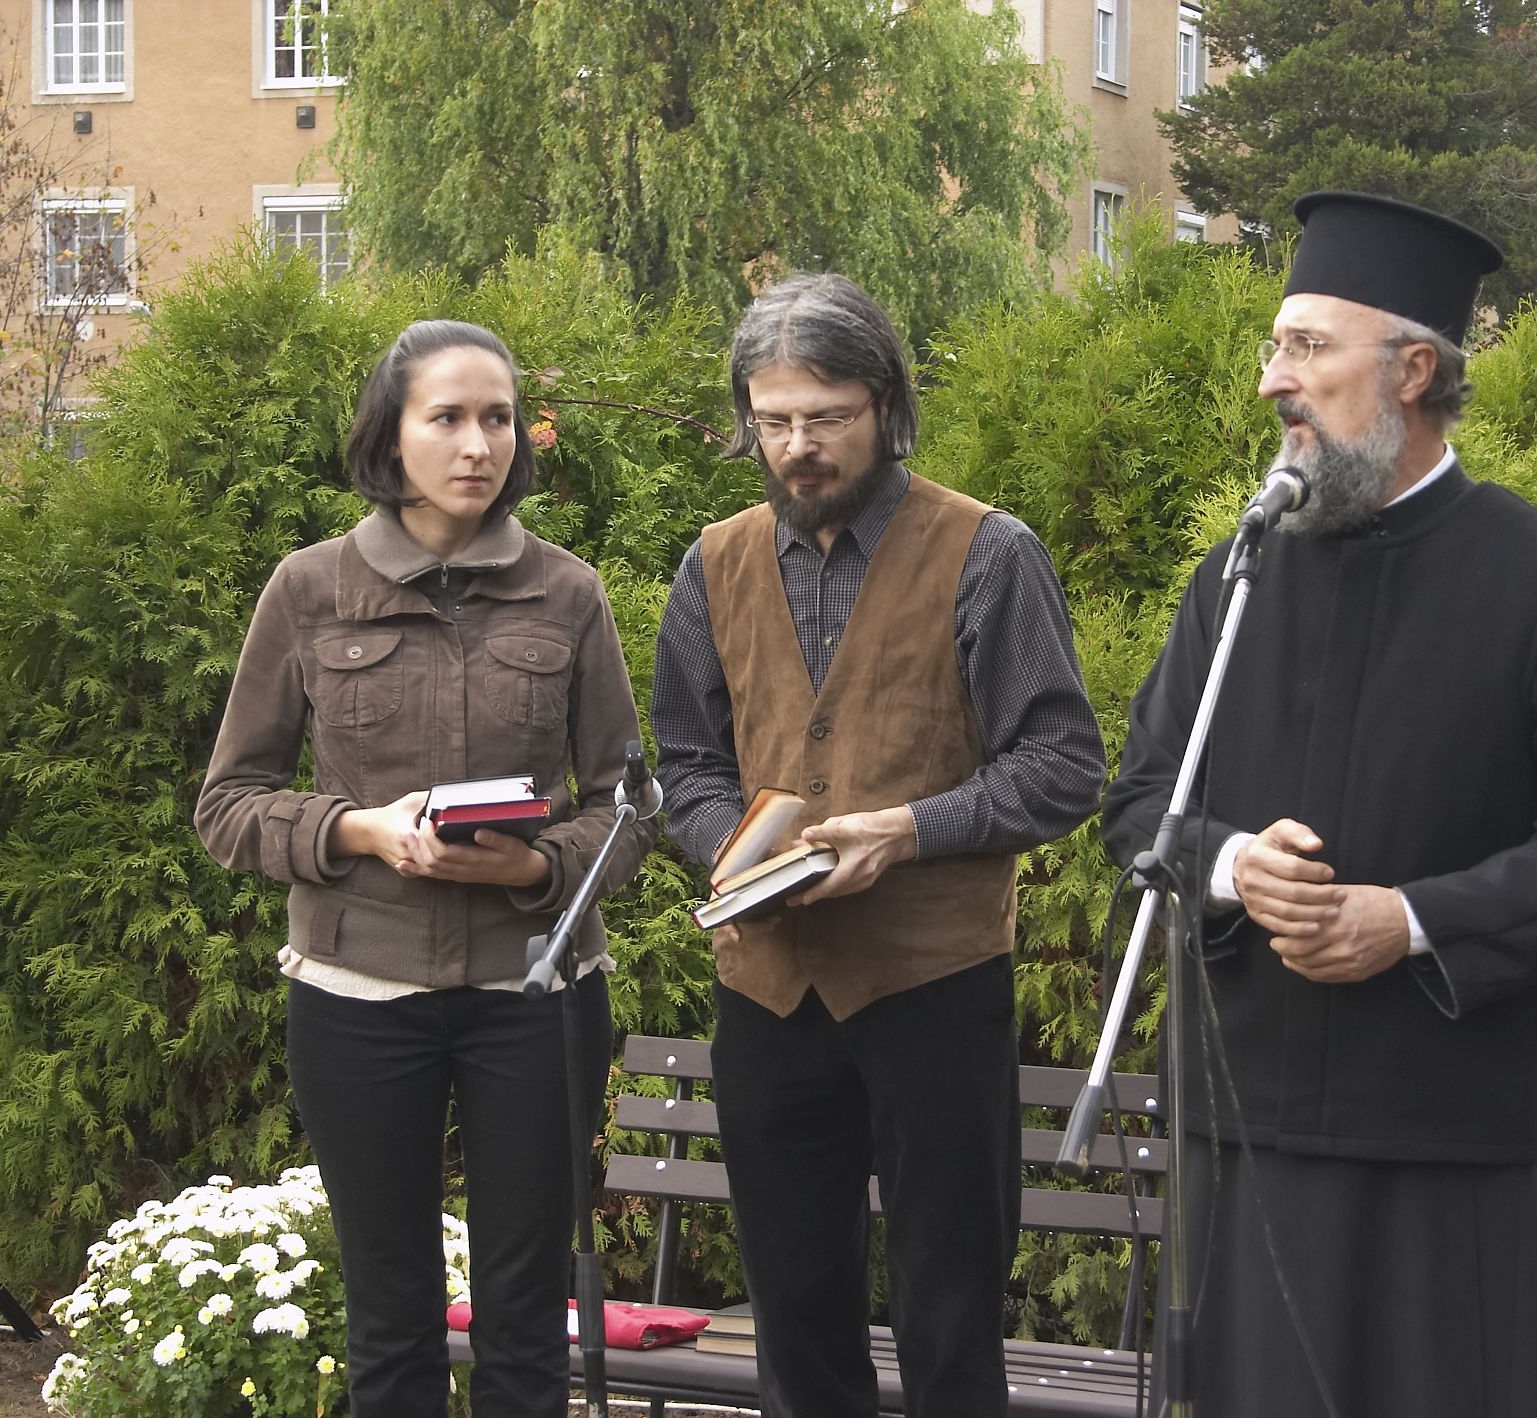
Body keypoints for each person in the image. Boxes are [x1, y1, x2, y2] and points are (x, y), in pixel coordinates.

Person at [1103, 192, 1537, 1417]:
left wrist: (1405, 921)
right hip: (1244, 1136)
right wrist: (1232, 864)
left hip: (1437, 1145)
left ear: (1411, 370)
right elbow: (1140, 799)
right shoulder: (1234, 575)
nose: (1272, 379)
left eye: (1307, 346)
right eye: (1273, 346)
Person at [650, 273, 1105, 1418]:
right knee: (794, 1323)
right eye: (773, 420)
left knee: (949, 1319)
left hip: (934, 988)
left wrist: (906, 830)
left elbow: (1062, 764)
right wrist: (732, 853)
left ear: (887, 406)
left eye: (827, 417)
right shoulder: (712, 563)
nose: (797, 447)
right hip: (766, 993)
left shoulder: (987, 553)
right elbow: (683, 766)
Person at [195, 319, 650, 1417]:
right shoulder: (308, 589)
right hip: (357, 997)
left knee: (525, 1321)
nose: (476, 444)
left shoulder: (568, 593)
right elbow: (228, 805)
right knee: (390, 1320)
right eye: (445, 417)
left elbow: (628, 810)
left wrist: (532, 868)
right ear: (389, 434)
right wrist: (357, 830)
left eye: (498, 417)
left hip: (535, 993)